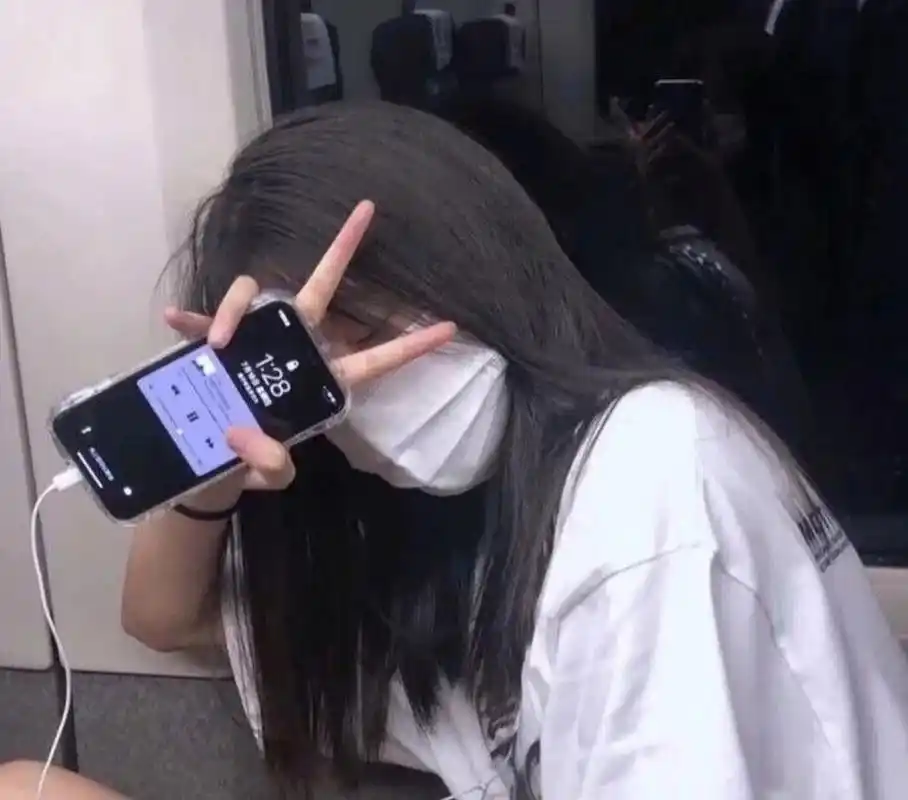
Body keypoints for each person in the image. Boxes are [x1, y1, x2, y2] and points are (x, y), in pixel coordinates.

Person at [4, 101, 908, 799]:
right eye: (317, 362)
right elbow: (163, 616)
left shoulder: (652, 473)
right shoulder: (448, 529)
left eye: (369, 324)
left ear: (474, 272)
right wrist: (216, 450)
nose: (354, 382)